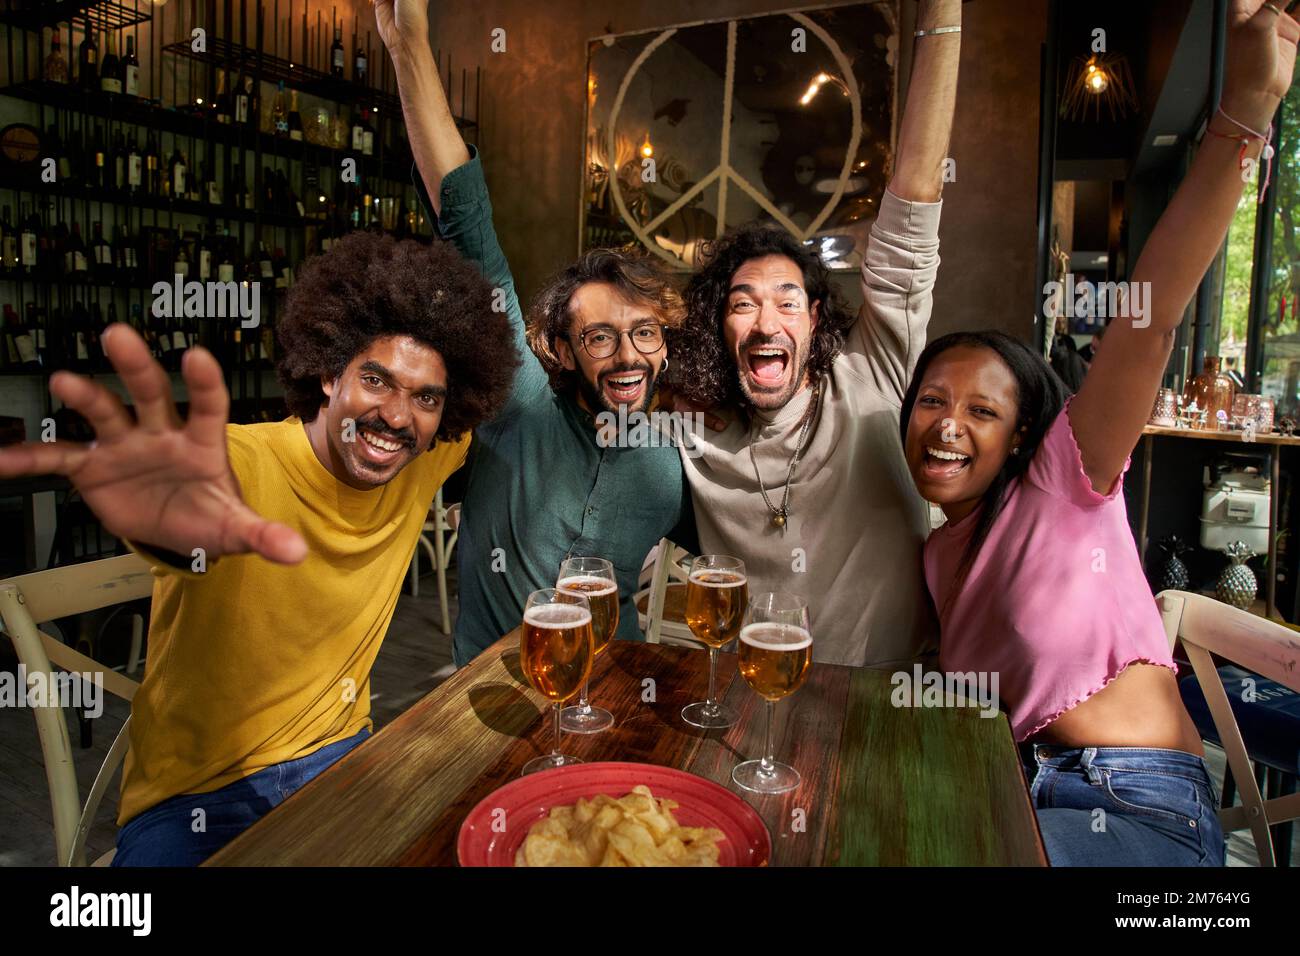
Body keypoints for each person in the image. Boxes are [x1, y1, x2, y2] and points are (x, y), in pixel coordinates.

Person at [899, 0, 1295, 865]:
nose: (947, 427)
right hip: (1016, 785)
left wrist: (1247, 110)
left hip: (1134, 796)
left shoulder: (1064, 482)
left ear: (1026, 433)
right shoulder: (937, 554)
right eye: (931, 400)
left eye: (982, 410)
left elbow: (1148, 323)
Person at [0, 231, 518, 865]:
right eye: (376, 380)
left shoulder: (425, 456)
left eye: (426, 398)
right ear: (329, 373)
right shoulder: (237, 462)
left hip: (341, 765)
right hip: (194, 797)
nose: (397, 416)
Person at [378, 0, 696, 667]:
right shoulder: (522, 403)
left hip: (614, 694)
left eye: (644, 333)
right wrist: (408, 42)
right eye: (600, 338)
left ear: (665, 341)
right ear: (559, 349)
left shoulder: (677, 457)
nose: (627, 356)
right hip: (488, 698)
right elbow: (467, 224)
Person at [667, 0, 960, 668]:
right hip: (757, 698)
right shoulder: (695, 432)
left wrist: (943, 17)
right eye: (742, 304)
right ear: (721, 327)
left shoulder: (875, 374)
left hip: (885, 711)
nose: (766, 321)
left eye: (786, 301)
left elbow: (913, 212)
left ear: (817, 320)